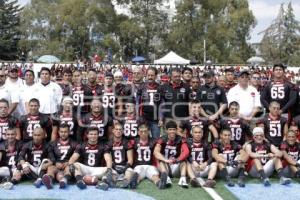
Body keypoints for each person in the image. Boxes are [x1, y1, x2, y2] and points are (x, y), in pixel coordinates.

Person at [154, 120, 190, 188]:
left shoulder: (181, 139)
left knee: (184, 161)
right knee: (161, 161)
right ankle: (166, 178)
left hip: (176, 165)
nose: (172, 131)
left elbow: (186, 152)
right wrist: (165, 160)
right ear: (166, 131)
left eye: (174, 129)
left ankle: (182, 179)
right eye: (170, 129)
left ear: (176, 130)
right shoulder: (162, 139)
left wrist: (177, 160)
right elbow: (156, 152)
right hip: (166, 165)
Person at [130, 123, 165, 189]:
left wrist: (158, 166)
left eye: (145, 131)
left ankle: (159, 183)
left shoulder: (154, 141)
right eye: (141, 131)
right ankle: (134, 182)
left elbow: (157, 152)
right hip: (138, 165)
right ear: (138, 132)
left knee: (154, 176)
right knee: (137, 174)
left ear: (148, 132)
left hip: (150, 165)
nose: (143, 133)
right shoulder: (133, 141)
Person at [136, 67, 163, 139]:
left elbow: (162, 104)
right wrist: (138, 116)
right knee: (143, 140)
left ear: (156, 76)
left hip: (155, 119)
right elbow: (137, 103)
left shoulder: (160, 87)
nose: (150, 77)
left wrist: (161, 118)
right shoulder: (141, 86)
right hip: (143, 119)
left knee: (156, 140)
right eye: (149, 75)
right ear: (146, 75)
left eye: (152, 75)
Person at [48, 124, 77, 189]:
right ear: (58, 132)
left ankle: (64, 181)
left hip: (68, 164)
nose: (63, 134)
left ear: (69, 132)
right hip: (56, 164)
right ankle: (49, 182)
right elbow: (50, 155)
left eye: (65, 132)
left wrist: (69, 163)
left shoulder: (74, 143)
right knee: (50, 168)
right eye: (61, 132)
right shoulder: (53, 144)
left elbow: (77, 156)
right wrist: (55, 162)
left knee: (68, 169)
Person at [106, 123, 134, 188]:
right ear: (113, 130)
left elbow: (130, 160)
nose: (118, 131)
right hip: (114, 166)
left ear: (123, 131)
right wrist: (114, 167)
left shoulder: (127, 142)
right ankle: (111, 182)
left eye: (120, 129)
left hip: (125, 166)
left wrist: (125, 168)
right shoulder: (109, 143)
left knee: (129, 171)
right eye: (116, 129)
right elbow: (109, 159)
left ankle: (126, 181)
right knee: (111, 174)